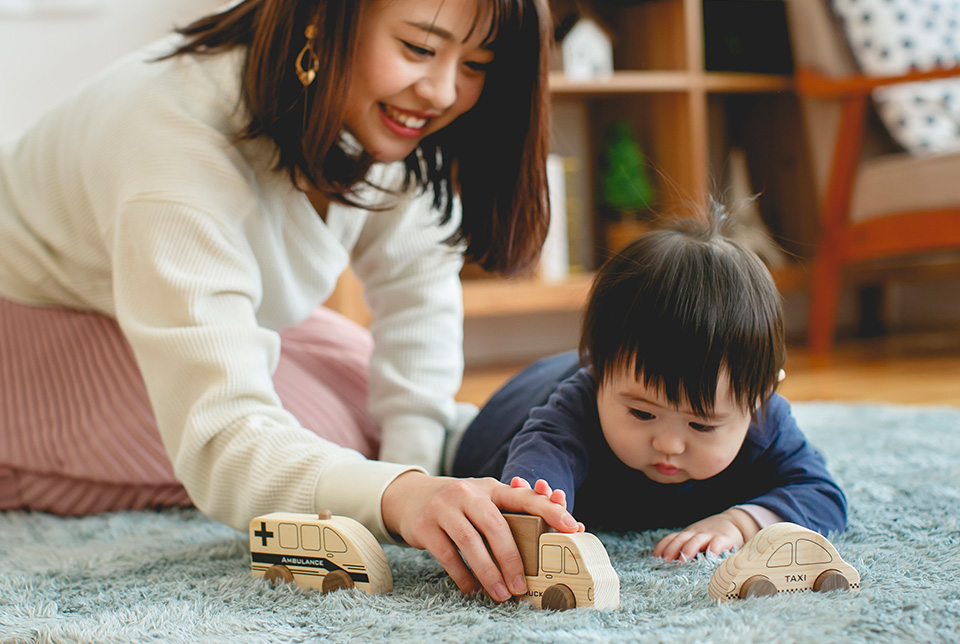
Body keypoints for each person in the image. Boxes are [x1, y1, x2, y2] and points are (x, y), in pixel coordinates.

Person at [0, 0, 581, 603]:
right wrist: (399, 496)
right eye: (419, 48)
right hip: (26, 312)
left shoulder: (364, 104)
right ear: (322, 17)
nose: (440, 91)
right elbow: (222, 436)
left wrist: (416, 478)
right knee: (324, 434)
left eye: (477, 62)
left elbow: (418, 299)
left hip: (153, 301)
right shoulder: (172, 140)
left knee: (374, 414)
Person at [452, 206, 848, 562]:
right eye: (642, 412)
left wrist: (741, 522)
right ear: (600, 374)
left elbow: (823, 496)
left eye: (702, 424)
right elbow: (536, 468)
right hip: (510, 410)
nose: (668, 444)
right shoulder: (578, 405)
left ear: (759, 400)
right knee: (461, 454)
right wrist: (538, 509)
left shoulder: (766, 421)